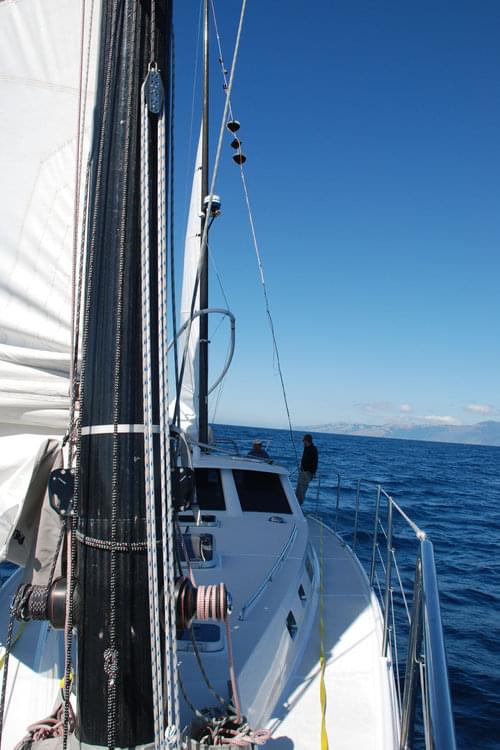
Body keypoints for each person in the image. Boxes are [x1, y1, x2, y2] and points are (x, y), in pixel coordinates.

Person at [295, 434, 318, 504]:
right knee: (298, 490)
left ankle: (298, 506)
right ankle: (295, 505)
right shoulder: (306, 448)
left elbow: (315, 462)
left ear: (307, 441)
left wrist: (313, 473)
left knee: (302, 491)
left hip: (307, 473)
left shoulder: (313, 449)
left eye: (304, 441)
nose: (303, 442)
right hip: (302, 472)